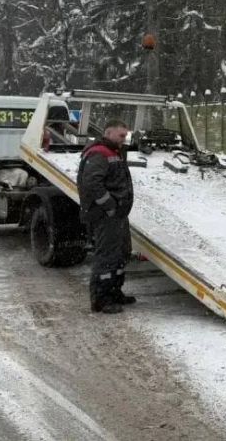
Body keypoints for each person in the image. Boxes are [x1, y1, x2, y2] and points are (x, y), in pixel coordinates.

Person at [77, 120, 135, 314]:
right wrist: (110, 206)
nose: (123, 139)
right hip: (105, 215)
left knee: (121, 253)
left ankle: (114, 291)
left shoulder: (113, 152)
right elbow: (92, 184)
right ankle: (101, 300)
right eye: (120, 135)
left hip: (117, 214)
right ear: (108, 133)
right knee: (106, 256)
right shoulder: (99, 153)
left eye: (125, 136)